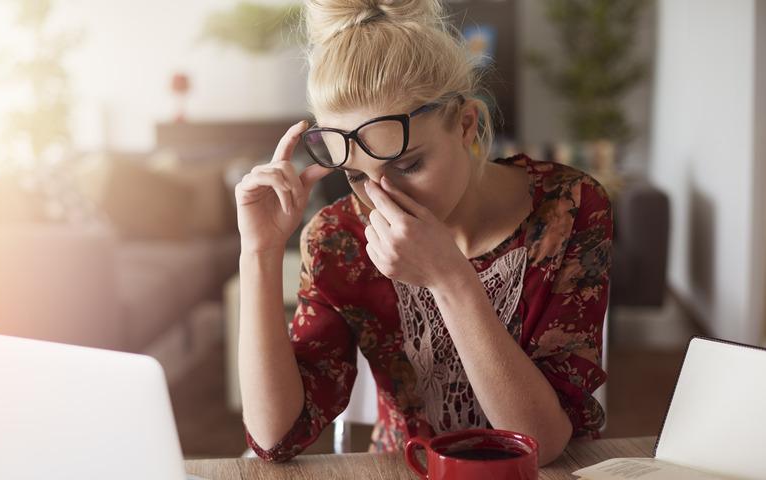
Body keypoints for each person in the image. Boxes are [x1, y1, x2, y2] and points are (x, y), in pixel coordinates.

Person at [234, 0, 612, 467]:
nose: (384, 199)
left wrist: (450, 279)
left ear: (467, 125)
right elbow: (276, 438)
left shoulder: (568, 208)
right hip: (405, 469)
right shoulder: (339, 239)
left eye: (408, 165)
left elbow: (543, 444)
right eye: (357, 176)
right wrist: (260, 251)